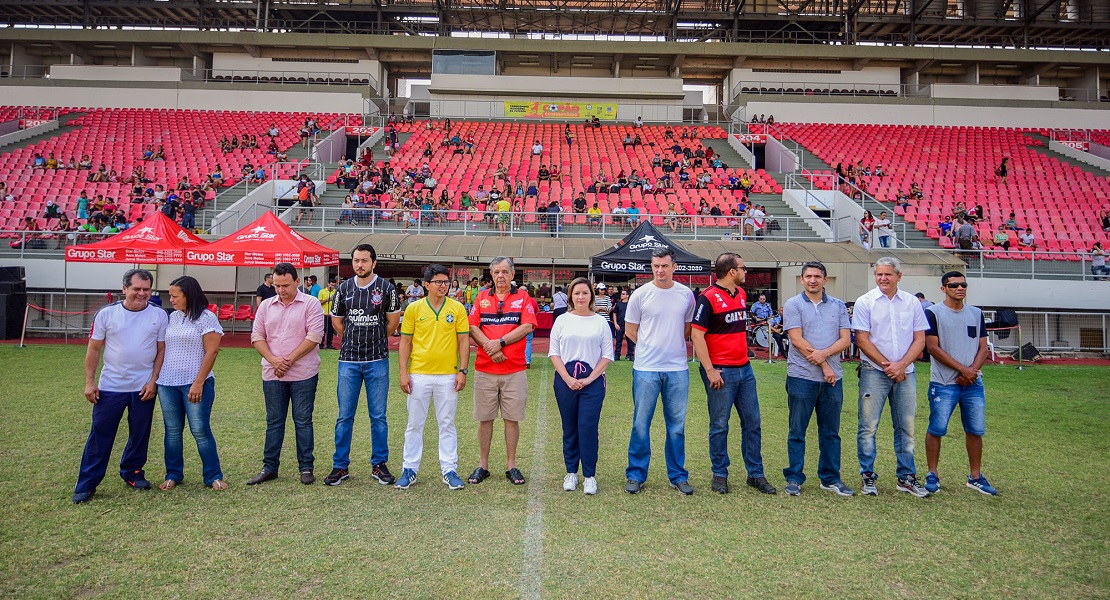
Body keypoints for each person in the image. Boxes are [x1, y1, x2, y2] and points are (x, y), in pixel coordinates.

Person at [72, 269, 168, 503]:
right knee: (100, 435)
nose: (142, 293)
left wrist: (153, 380)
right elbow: (94, 349)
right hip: (111, 386)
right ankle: (87, 483)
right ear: (124, 288)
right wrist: (89, 383)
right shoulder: (107, 314)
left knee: (140, 433)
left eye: (146, 289)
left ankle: (133, 472)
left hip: (143, 387)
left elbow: (161, 349)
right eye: (137, 289)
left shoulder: (159, 315)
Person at [691, 253, 776, 496]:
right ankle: (720, 473)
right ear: (731, 271)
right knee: (719, 425)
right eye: (743, 268)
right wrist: (710, 370)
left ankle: (755, 473)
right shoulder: (707, 298)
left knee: (752, 422)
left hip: (744, 370)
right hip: (720, 371)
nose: (745, 272)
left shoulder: (739, 294)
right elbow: (697, 336)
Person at [324, 245, 401, 486]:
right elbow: (337, 322)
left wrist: (374, 339)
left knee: (378, 416)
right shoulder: (343, 289)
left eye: (364, 261)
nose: (360, 265)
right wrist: (353, 338)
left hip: (377, 360)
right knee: (344, 416)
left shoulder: (387, 289)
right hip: (348, 361)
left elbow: (392, 323)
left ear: (374, 263)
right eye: (356, 260)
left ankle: (379, 464)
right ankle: (340, 466)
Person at [853, 257, 930, 497]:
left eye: (888, 274)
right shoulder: (865, 302)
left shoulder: (912, 303)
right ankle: (867, 476)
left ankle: (906, 476)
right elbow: (862, 339)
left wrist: (902, 365)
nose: (883, 278)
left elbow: (920, 339)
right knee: (868, 426)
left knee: (906, 427)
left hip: (906, 373)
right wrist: (889, 366)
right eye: (879, 274)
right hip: (873, 372)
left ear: (899, 276)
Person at [624, 248, 697, 495]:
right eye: (656, 265)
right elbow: (630, 330)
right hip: (646, 369)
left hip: (677, 369)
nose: (660, 270)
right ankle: (635, 475)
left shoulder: (686, 294)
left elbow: (687, 329)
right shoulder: (640, 294)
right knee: (640, 425)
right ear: (651, 266)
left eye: (665, 265)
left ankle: (678, 476)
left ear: (674, 266)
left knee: (676, 426)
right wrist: (649, 348)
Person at [395, 264, 471, 490]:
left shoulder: (457, 308)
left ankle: (449, 469)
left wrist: (462, 370)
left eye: (446, 282)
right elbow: (405, 342)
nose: (443, 286)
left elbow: (464, 341)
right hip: (419, 374)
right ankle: (409, 469)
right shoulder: (413, 308)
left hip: (448, 375)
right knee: (414, 424)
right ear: (426, 284)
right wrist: (403, 372)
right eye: (438, 282)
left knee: (447, 423)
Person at [781, 261, 854, 497]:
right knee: (797, 430)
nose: (813, 280)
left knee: (831, 432)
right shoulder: (793, 304)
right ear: (802, 280)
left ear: (825, 279)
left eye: (817, 276)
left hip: (832, 381)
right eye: (808, 276)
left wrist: (825, 356)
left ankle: (830, 477)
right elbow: (797, 340)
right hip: (802, 377)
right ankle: (794, 477)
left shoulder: (838, 306)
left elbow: (846, 339)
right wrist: (823, 363)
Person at [248, 263, 325, 486]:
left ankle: (306, 467)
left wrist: (288, 361)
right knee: (274, 422)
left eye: (285, 285)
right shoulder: (266, 306)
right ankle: (269, 467)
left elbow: (314, 336)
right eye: (277, 285)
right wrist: (274, 361)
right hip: (273, 374)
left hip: (303, 373)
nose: (281, 290)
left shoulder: (310, 304)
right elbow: (257, 336)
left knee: (303, 421)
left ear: (297, 282)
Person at [923, 272, 997, 496]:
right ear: (943, 288)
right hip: (944, 382)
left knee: (975, 430)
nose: (960, 288)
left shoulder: (976, 313)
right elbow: (933, 348)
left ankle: (975, 477)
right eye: (954, 285)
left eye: (963, 284)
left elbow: (983, 347)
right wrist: (963, 370)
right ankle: (932, 474)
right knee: (937, 428)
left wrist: (971, 372)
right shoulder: (933, 313)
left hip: (973, 383)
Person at [466, 257, 537, 486]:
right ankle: (483, 465)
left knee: (511, 419)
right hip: (486, 369)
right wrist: (491, 347)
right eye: (496, 272)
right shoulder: (481, 297)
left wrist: (501, 343)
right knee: (485, 419)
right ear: (491, 274)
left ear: (513, 274)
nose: (500, 276)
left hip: (514, 370)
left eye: (505, 271)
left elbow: (527, 326)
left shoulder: (523, 297)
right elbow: (472, 326)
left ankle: (511, 465)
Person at [156, 276, 226, 491]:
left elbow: (212, 351)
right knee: (172, 430)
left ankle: (213, 476)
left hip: (195, 383)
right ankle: (173, 473)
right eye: (170, 296)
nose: (172, 300)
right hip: (167, 383)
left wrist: (198, 383)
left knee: (200, 430)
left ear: (189, 295)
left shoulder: (207, 318)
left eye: (176, 296)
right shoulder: (173, 318)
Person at [549, 277, 614, 495]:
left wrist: (588, 379)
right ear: (570, 296)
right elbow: (554, 353)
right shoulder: (562, 320)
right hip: (565, 381)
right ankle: (571, 473)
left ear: (591, 296)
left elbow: (607, 356)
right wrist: (567, 378)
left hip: (592, 383)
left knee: (587, 428)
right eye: (576, 293)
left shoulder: (600, 322)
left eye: (585, 293)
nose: (580, 297)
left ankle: (589, 476)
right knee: (569, 428)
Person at [611, 288, 635, 361]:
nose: (621, 295)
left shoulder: (631, 304)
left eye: (623, 294)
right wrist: (615, 323)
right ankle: (617, 355)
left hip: (629, 326)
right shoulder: (618, 304)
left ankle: (630, 355)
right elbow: (614, 313)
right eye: (621, 294)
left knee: (630, 341)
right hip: (619, 325)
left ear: (627, 295)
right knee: (618, 341)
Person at [318, 277, 339, 349]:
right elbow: (319, 302)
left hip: (332, 314)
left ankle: (329, 344)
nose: (332, 287)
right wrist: (328, 300)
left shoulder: (336, 292)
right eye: (331, 285)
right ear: (328, 284)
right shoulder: (322, 291)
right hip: (324, 314)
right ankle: (321, 344)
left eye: (334, 285)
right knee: (323, 329)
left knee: (331, 330)